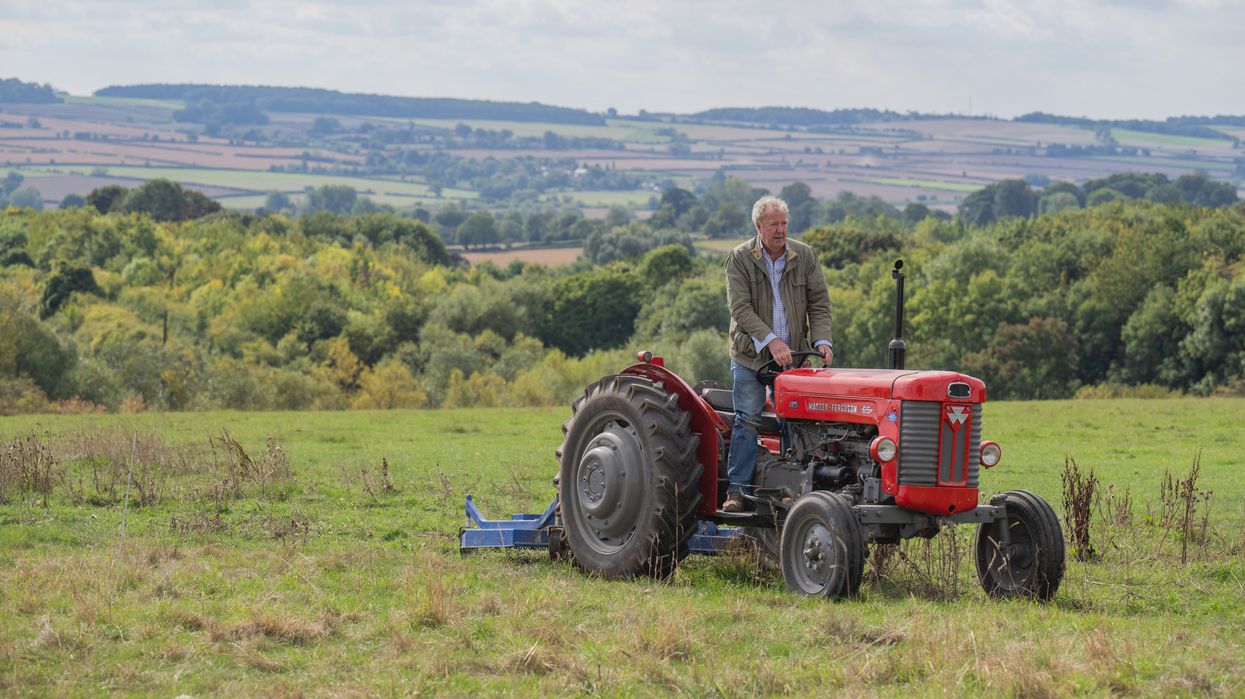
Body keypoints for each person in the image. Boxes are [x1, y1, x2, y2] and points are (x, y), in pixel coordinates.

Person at [721, 195, 834, 512]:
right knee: (747, 419)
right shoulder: (739, 258)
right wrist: (771, 341)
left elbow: (819, 304)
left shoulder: (804, 255)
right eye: (773, 224)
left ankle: (791, 491)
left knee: (794, 423)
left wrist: (822, 341)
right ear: (759, 226)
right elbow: (740, 309)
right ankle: (737, 492)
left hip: (793, 358)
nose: (780, 230)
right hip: (751, 355)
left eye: (784, 223)